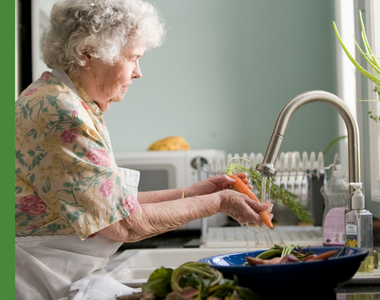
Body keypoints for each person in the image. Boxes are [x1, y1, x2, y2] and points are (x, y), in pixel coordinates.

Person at [15, 0, 273, 299]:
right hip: (38, 277)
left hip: (56, 271)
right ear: (88, 53)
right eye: (133, 58)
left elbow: (111, 204)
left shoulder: (61, 100)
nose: (138, 72)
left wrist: (194, 193)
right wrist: (218, 202)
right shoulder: (61, 111)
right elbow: (124, 224)